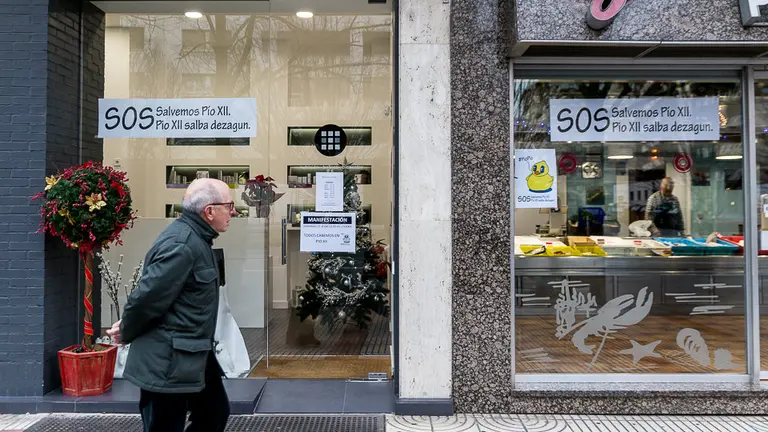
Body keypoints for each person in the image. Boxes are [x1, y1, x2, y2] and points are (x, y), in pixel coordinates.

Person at [106, 178, 236, 432]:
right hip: (167, 360)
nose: (233, 211)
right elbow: (146, 299)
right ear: (209, 211)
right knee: (167, 424)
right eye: (229, 205)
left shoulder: (197, 239)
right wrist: (128, 329)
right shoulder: (183, 245)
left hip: (192, 353)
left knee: (214, 411)